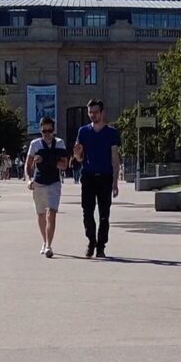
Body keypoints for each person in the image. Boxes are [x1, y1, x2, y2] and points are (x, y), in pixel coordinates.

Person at [71, 98, 123, 258]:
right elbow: (79, 158)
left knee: (104, 214)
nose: (92, 115)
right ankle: (91, 240)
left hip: (105, 177)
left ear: (102, 113)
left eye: (95, 112)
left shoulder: (112, 133)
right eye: (90, 112)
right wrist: (77, 153)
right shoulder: (83, 131)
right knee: (87, 211)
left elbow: (115, 158)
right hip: (88, 176)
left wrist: (115, 182)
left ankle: (101, 246)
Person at [24, 115, 66, 257]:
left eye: (50, 130)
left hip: (54, 182)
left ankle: (49, 245)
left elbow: (64, 165)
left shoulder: (60, 143)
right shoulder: (35, 144)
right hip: (39, 183)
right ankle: (44, 241)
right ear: (40, 131)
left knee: (51, 213)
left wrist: (46, 160)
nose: (47, 134)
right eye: (44, 131)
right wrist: (29, 179)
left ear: (54, 130)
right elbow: (28, 164)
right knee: (41, 214)